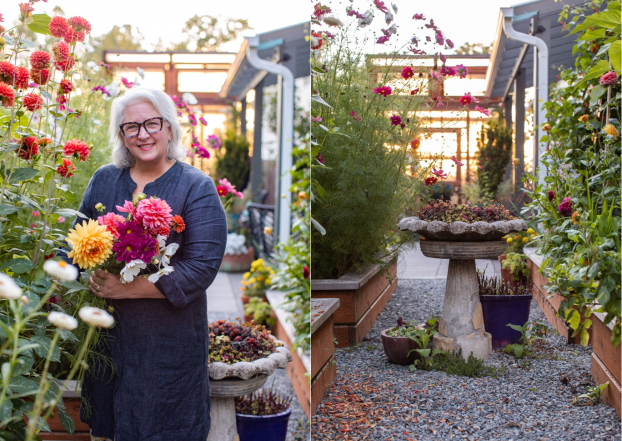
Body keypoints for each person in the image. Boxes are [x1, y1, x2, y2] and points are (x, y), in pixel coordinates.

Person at [66, 87, 227, 440]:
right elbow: (76, 243)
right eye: (131, 127)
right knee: (110, 424)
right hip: (108, 339)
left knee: (166, 425)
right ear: (121, 135)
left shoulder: (195, 186)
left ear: (169, 128)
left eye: (152, 123)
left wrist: (127, 288)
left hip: (166, 342)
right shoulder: (104, 180)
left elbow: (201, 268)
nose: (143, 134)